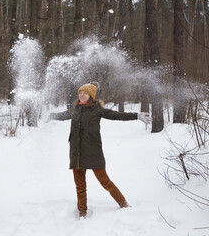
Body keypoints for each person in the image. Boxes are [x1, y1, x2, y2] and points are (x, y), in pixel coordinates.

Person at [48, 82, 152, 218]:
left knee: (105, 182)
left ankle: (124, 205)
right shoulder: (75, 109)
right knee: (80, 187)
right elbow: (62, 116)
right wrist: (51, 116)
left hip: (93, 152)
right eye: (80, 92)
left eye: (85, 93)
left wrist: (136, 116)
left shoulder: (97, 109)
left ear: (90, 96)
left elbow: (116, 115)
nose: (81, 95)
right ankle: (82, 212)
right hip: (76, 153)